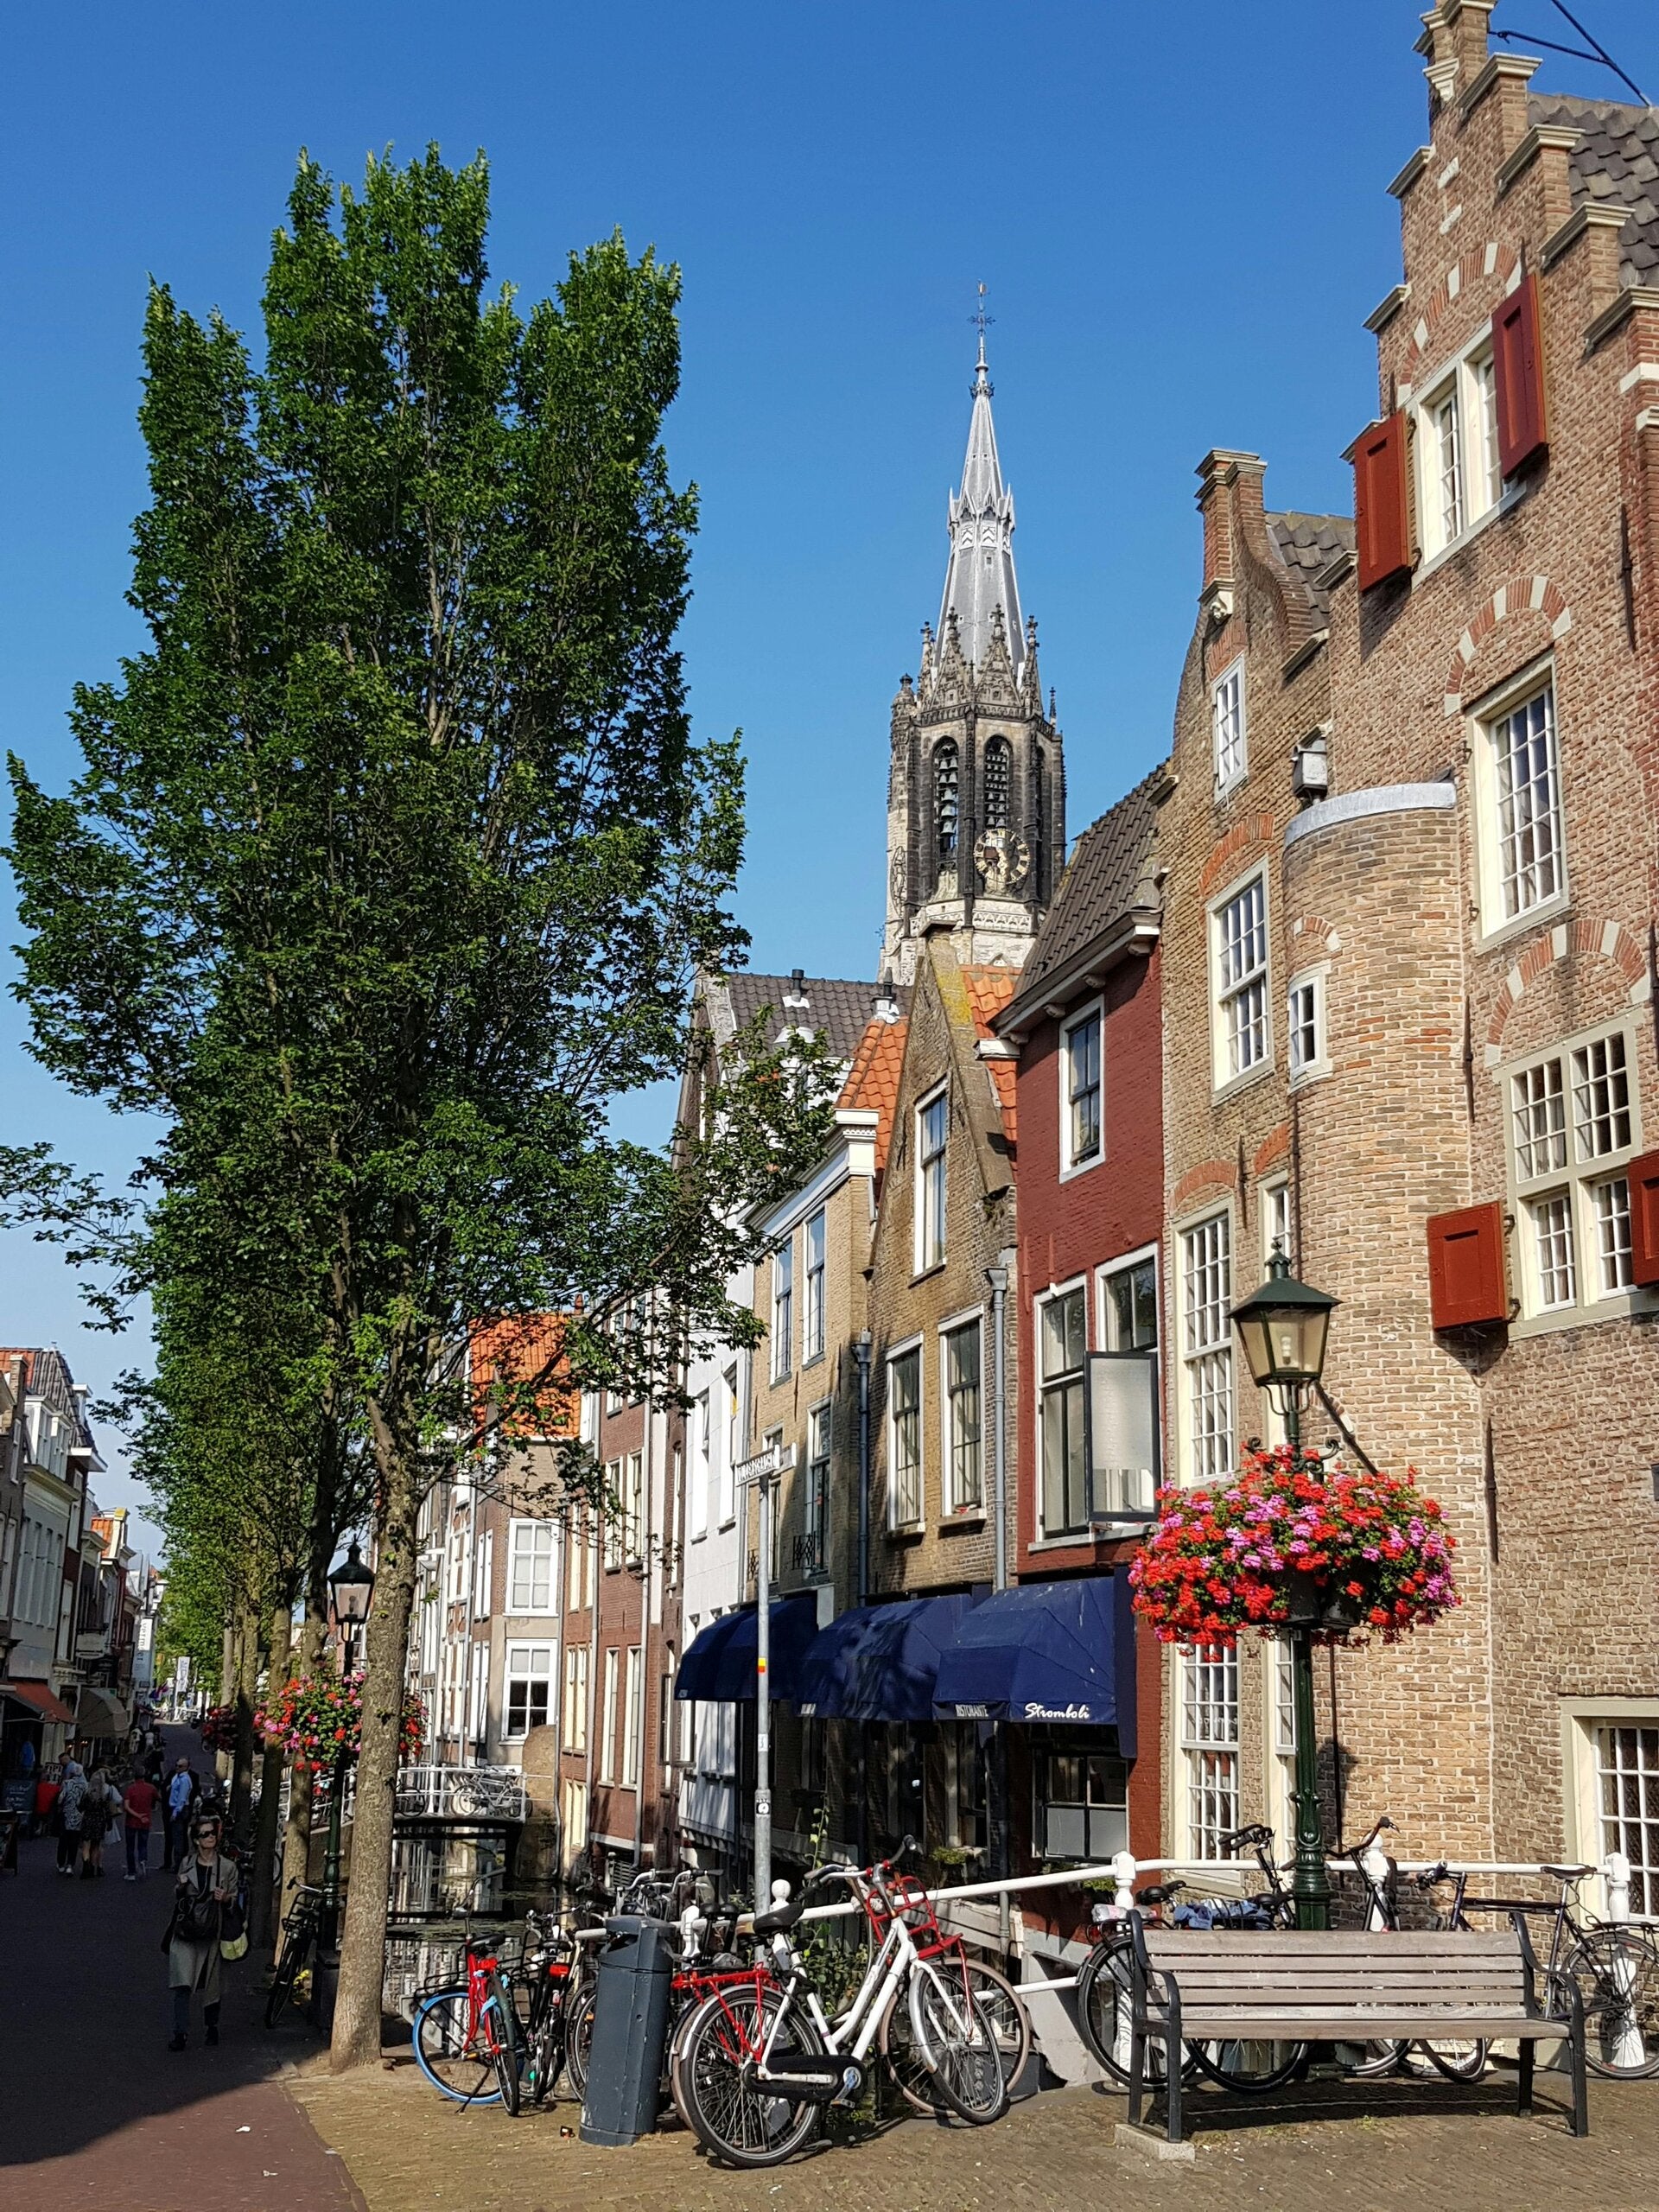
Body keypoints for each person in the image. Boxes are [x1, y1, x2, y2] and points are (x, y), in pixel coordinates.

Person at [166, 1812, 238, 2050]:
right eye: (205, 1834)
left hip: (212, 1932)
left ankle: (212, 2028)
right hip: (187, 1931)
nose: (210, 1838)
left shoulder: (227, 1867)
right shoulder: (187, 1863)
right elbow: (178, 1896)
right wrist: (181, 1887)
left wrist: (225, 1898)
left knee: (212, 1984)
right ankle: (180, 2033)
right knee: (182, 1982)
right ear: (196, 1839)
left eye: (213, 1833)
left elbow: (236, 1900)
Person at [123, 1769, 159, 1878]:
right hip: (145, 1820)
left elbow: (126, 1806)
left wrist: (137, 1815)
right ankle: (142, 1859)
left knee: (130, 1847)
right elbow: (158, 1798)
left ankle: (131, 1872)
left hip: (131, 1821)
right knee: (143, 1844)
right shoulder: (151, 1788)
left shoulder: (130, 1789)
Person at [164, 1759, 199, 1867]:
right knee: (175, 1835)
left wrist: (175, 1813)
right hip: (175, 1808)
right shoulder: (177, 1777)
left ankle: (178, 1864)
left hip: (180, 1809)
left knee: (178, 1837)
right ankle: (176, 1862)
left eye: (180, 1766)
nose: (177, 1768)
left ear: (186, 1767)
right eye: (176, 1765)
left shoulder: (184, 1780)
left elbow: (182, 1798)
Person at [55, 1760, 86, 1876]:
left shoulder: (67, 1783)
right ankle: (70, 1865)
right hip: (79, 1816)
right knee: (74, 1842)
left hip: (66, 1815)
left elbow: (60, 1799)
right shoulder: (85, 1785)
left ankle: (61, 1864)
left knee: (63, 1841)